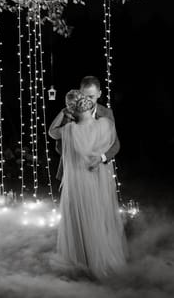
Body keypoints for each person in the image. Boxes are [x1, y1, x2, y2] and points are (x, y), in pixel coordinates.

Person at [49, 92, 127, 278]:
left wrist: (62, 112)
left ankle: (84, 260)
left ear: (72, 109)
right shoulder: (106, 125)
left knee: (81, 219)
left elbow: (52, 132)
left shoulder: (69, 130)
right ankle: (101, 256)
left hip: (78, 180)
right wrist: (99, 158)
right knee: (99, 217)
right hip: (99, 176)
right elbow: (111, 144)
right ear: (90, 107)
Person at [51, 76, 120, 181]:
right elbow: (59, 144)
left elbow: (115, 144)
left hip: (98, 169)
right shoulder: (70, 112)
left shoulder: (106, 113)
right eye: (84, 96)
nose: (87, 100)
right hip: (74, 170)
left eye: (91, 97)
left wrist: (101, 158)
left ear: (99, 94)